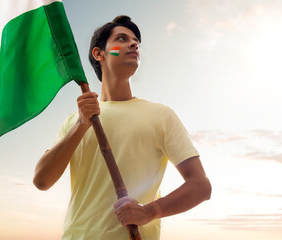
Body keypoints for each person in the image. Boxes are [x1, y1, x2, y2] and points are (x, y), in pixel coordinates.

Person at [33, 15, 211, 240]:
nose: (134, 44)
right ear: (99, 53)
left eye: (135, 41)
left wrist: (149, 211)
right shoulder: (74, 120)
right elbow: (41, 180)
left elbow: (201, 186)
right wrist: (80, 125)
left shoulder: (160, 115)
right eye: (122, 39)